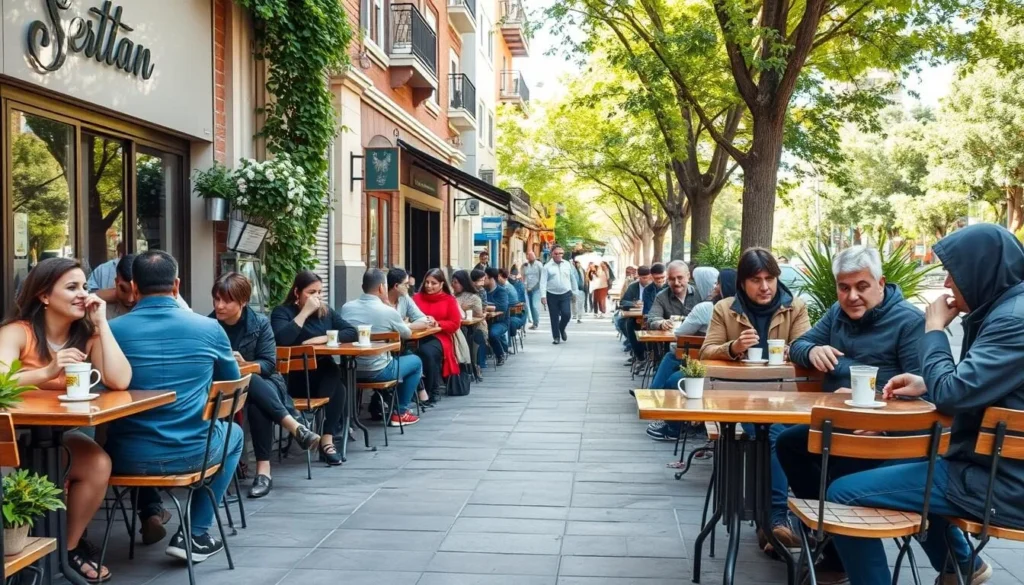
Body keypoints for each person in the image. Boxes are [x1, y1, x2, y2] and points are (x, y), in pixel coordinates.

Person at [822, 225, 1022, 585]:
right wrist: (927, 382)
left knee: (843, 493)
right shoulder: (1006, 311)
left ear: (979, 271)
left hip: (999, 482)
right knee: (905, 473)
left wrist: (934, 330)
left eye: (953, 273)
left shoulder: (1011, 320)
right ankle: (959, 567)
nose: (947, 283)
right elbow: (977, 385)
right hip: (990, 468)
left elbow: (951, 395)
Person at [768, 246, 929, 578]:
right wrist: (813, 350)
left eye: (861, 286)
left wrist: (878, 414)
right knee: (788, 443)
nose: (852, 296)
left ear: (880, 283)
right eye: (844, 287)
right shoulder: (836, 314)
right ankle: (831, 543)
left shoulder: (909, 321)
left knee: (839, 473)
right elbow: (798, 345)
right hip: (839, 427)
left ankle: (840, 551)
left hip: (885, 437)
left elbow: (924, 389)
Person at [0, 258, 131, 582]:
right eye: (72, 287)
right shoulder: (18, 332)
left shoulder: (85, 335)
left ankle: (67, 550)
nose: (83, 294)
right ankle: (24, 554)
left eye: (84, 287)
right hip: (9, 441)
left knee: (97, 463)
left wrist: (101, 324)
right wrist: (46, 371)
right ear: (44, 295)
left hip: (54, 437)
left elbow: (119, 380)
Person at [107, 251, 242, 564]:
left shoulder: (111, 331)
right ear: (177, 285)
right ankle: (195, 533)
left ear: (133, 287)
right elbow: (231, 387)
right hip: (192, 453)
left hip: (123, 458)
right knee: (233, 434)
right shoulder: (210, 329)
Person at [699, 248, 810, 559]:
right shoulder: (725, 309)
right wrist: (733, 347)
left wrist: (794, 351)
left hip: (787, 397)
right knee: (774, 433)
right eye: (756, 280)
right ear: (743, 283)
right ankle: (776, 520)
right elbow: (706, 351)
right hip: (741, 398)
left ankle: (774, 522)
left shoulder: (795, 307)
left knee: (784, 434)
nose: (765, 287)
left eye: (770, 279)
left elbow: (806, 345)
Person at [210, 273, 320, 499]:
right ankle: (294, 428)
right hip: (224, 391)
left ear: (243, 301)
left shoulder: (259, 323)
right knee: (248, 382)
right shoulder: (208, 326)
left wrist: (246, 365)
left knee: (254, 393)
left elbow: (269, 365)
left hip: (265, 386)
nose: (219, 306)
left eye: (227, 301)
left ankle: (263, 471)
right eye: (216, 299)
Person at [272, 270, 357, 466]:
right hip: (295, 380)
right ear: (297, 292)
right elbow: (281, 340)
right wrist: (304, 313)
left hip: (322, 377)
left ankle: (326, 439)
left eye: (319, 292)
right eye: (311, 292)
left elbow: (351, 331)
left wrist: (324, 338)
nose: (316, 297)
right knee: (338, 382)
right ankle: (326, 442)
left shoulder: (325, 312)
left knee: (336, 379)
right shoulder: (282, 313)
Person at [645, 267, 729, 442]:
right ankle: (658, 401)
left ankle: (670, 422)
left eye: (717, 283)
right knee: (675, 358)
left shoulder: (705, 307)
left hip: (707, 364)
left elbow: (680, 334)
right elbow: (652, 317)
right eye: (672, 278)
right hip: (720, 363)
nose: (714, 286)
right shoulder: (663, 296)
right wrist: (660, 323)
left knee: (673, 369)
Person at [340, 270, 422, 426]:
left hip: (350, 371)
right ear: (381, 288)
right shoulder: (388, 311)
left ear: (363, 287)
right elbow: (407, 334)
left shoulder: (346, 308)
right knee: (416, 361)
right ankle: (400, 412)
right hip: (379, 370)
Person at [388, 268, 441, 404]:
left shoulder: (404, 299)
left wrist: (406, 325)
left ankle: (400, 398)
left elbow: (423, 319)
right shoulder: (381, 303)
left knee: (413, 353)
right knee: (413, 357)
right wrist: (406, 325)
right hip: (384, 351)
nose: (409, 286)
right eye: (406, 284)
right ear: (396, 286)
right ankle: (409, 400)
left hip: (400, 345)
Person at [412, 269, 463, 402]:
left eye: (433, 283)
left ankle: (431, 391)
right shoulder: (416, 298)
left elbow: (455, 324)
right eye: (427, 282)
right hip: (416, 336)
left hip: (440, 337)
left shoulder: (449, 300)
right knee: (410, 352)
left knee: (426, 352)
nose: (429, 286)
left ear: (441, 284)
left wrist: (438, 323)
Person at [105, 254, 191, 320]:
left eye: (136, 290)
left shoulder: (170, 300)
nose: (130, 299)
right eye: (123, 289)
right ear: (116, 282)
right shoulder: (105, 310)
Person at [626, 263, 668, 371]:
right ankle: (647, 358)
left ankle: (658, 362)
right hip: (655, 321)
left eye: (663, 277)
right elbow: (648, 311)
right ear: (652, 277)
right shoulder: (648, 290)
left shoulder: (671, 287)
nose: (660, 280)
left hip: (670, 320)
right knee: (632, 324)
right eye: (657, 278)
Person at [452, 269, 488, 381]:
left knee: (473, 336)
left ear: (463, 282)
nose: (453, 285)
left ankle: (474, 366)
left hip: (476, 327)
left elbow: (479, 316)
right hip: (458, 327)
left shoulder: (474, 297)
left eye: (456, 282)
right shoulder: (451, 296)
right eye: (452, 282)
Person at [541, 246, 579, 344]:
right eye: (556, 253)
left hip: (565, 293)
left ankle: (561, 328)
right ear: (551, 254)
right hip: (552, 294)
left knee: (567, 314)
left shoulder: (567, 264)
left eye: (560, 253)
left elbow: (573, 278)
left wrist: (575, 292)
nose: (558, 255)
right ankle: (556, 337)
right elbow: (543, 282)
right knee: (554, 317)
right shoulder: (547, 267)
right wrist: (543, 296)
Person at [647, 260, 700, 330]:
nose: (676, 283)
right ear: (667, 279)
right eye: (672, 279)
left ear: (688, 276)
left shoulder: (699, 294)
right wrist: (661, 323)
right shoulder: (661, 297)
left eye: (680, 278)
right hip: (670, 336)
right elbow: (652, 319)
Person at [483, 267, 510, 365]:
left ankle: (500, 354)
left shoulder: (501, 291)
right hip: (485, 321)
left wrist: (485, 307)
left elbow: (502, 307)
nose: (483, 280)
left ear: (492, 279)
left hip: (500, 321)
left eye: (485, 278)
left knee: (492, 334)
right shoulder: (483, 291)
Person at [499, 269, 526, 337]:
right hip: (516, 313)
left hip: (513, 314)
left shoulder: (505, 288)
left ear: (500, 276)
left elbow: (503, 306)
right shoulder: (507, 286)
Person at [522, 251, 544, 330]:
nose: (530, 257)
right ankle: (534, 323)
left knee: (535, 306)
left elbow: (542, 277)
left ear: (534, 256)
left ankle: (536, 322)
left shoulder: (539, 265)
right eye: (529, 255)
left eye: (532, 255)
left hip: (537, 288)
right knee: (530, 306)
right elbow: (523, 276)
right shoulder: (526, 265)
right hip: (528, 289)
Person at [571, 259, 586, 323]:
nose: (577, 264)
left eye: (578, 263)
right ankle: (574, 314)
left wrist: (585, 287)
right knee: (573, 302)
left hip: (581, 289)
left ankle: (579, 316)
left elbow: (584, 279)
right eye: (576, 263)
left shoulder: (582, 270)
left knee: (580, 303)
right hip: (574, 289)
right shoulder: (571, 270)